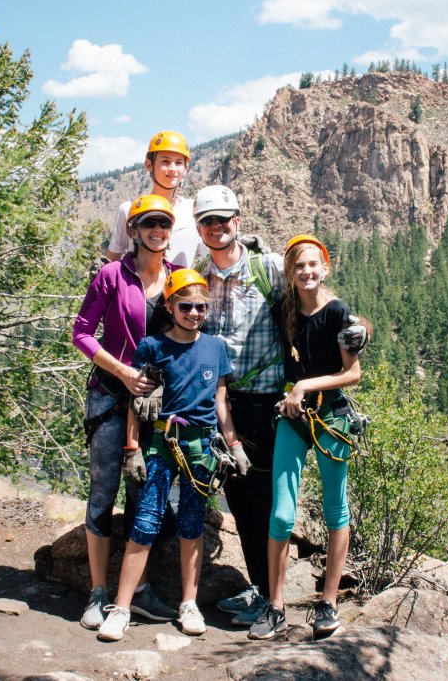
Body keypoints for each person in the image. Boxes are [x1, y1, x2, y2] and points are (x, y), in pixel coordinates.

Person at [182, 187, 369, 628]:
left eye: (224, 219)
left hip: (271, 402)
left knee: (268, 502)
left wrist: (362, 328)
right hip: (221, 405)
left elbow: (321, 306)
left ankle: (272, 596)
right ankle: (262, 592)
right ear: (199, 227)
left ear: (238, 220)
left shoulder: (266, 267)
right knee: (242, 499)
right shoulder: (195, 277)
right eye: (208, 220)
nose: (217, 226)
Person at [96, 270, 247, 641]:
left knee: (192, 524)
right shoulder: (152, 347)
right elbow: (138, 399)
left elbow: (221, 402)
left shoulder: (215, 347)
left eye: (200, 306)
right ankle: (121, 607)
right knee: (145, 523)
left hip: (202, 448)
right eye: (186, 306)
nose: (194, 313)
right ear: (170, 306)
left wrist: (234, 444)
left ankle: (189, 603)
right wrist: (132, 448)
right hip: (162, 444)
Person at [72, 194, 183, 630]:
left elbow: (193, 330)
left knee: (144, 497)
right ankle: (98, 592)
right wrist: (121, 371)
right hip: (108, 396)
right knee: (103, 492)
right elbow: (82, 333)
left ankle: (134, 590)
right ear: (133, 229)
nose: (157, 230)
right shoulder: (111, 275)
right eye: (149, 223)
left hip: (156, 405)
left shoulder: (177, 278)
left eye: (164, 224)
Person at [248, 234, 362, 641]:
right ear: (290, 273)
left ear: (325, 268)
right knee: (281, 514)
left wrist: (305, 386)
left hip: (331, 416)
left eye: (313, 264)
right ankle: (275, 605)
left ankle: (328, 601)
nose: (307, 271)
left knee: (336, 509)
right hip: (294, 418)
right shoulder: (285, 310)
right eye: (299, 266)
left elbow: (353, 374)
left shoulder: (338, 312)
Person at [103, 130, 202, 268]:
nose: (172, 169)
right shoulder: (129, 210)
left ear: (185, 168)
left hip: (180, 288)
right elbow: (112, 261)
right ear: (149, 165)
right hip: (136, 288)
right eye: (165, 161)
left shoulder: (195, 211)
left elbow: (213, 254)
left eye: (178, 162)